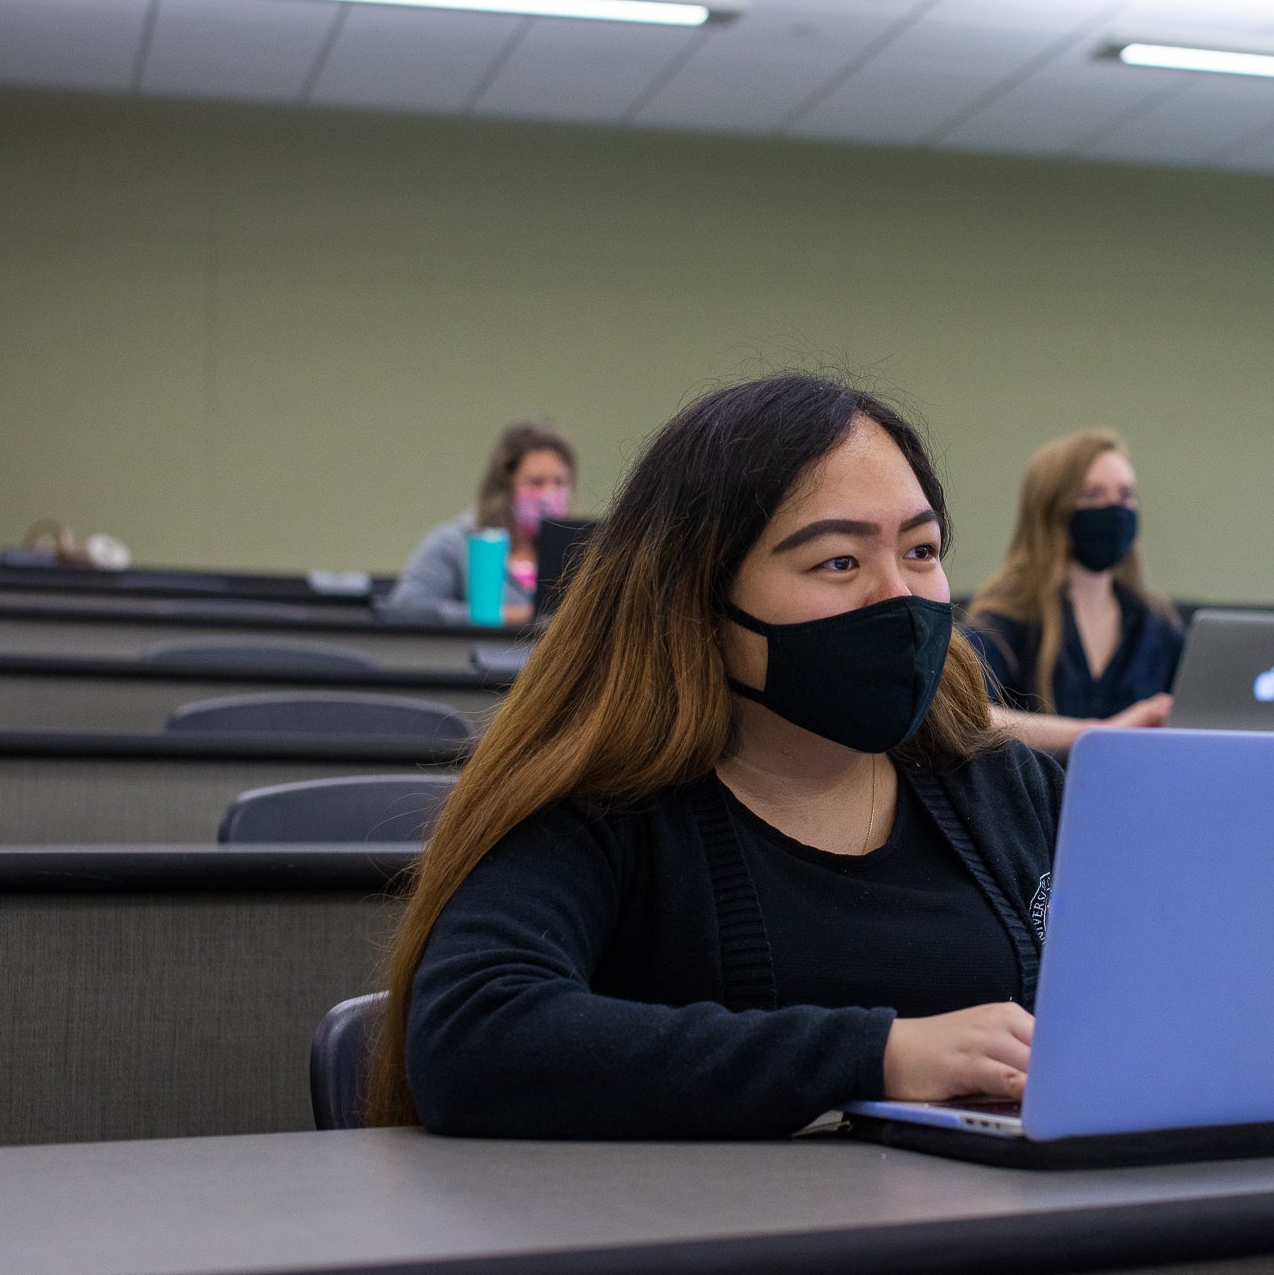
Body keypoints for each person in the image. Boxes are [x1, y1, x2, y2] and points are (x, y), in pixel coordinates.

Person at [365, 375, 1060, 1139]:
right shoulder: (607, 808)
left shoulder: (1005, 789)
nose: (897, 596)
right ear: (699, 598)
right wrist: (879, 1054)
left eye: (921, 550)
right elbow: (473, 1038)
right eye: (838, 561)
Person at [963, 430, 1185, 753]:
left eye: (1125, 496)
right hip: (1041, 801)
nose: (1114, 510)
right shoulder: (1005, 620)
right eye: (1093, 495)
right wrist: (1098, 733)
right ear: (1052, 510)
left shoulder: (1157, 627)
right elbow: (964, 711)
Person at [378, 420, 576, 626]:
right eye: (536, 482)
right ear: (505, 486)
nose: (549, 494)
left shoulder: (577, 550)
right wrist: (505, 616)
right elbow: (406, 609)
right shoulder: (454, 542)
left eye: (560, 482)